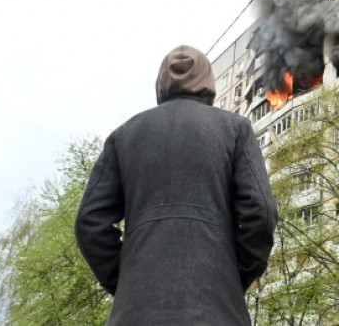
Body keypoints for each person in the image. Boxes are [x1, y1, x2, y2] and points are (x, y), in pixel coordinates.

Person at [75, 45, 278, 325]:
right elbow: (262, 212)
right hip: (217, 312)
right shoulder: (236, 129)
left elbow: (89, 223)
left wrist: (127, 283)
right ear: (208, 83)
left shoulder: (122, 137)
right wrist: (234, 276)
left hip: (134, 314)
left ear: (161, 85)